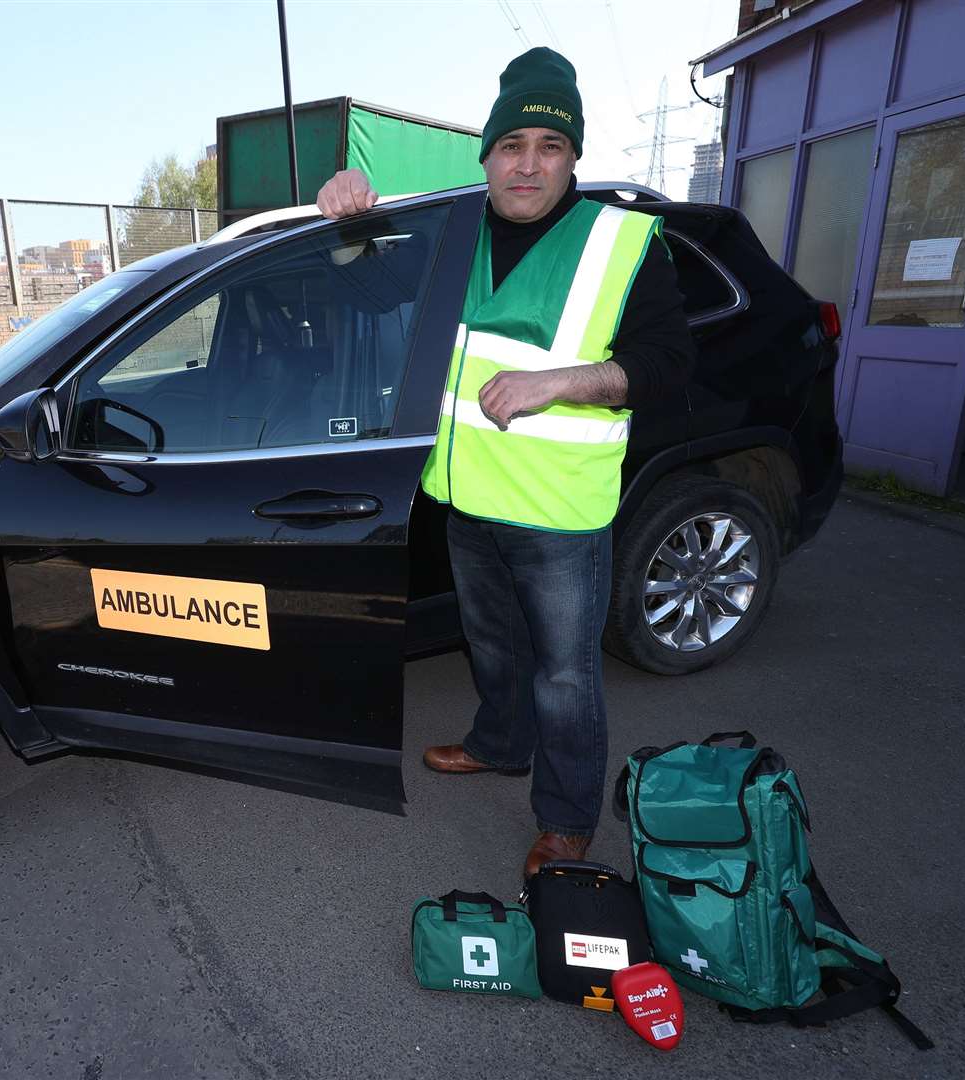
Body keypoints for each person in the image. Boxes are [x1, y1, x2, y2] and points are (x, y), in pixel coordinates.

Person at [317, 47, 695, 879]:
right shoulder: (452, 233)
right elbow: (378, 297)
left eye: (549, 146)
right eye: (512, 144)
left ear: (572, 157)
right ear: (486, 153)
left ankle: (566, 822)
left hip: (561, 513)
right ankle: (498, 744)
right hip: (467, 497)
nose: (528, 163)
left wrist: (567, 380)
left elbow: (670, 363)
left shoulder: (624, 242)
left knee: (565, 676)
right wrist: (349, 222)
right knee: (490, 643)